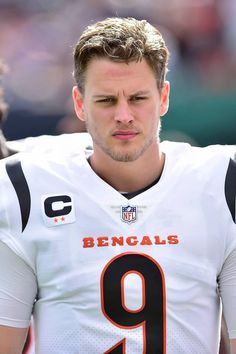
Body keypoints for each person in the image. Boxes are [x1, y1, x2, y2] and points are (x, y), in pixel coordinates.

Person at [0, 17, 235, 354]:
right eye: (106, 100)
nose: (124, 115)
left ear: (163, 96)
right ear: (80, 103)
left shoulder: (222, 183)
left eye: (138, 98)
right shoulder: (22, 190)